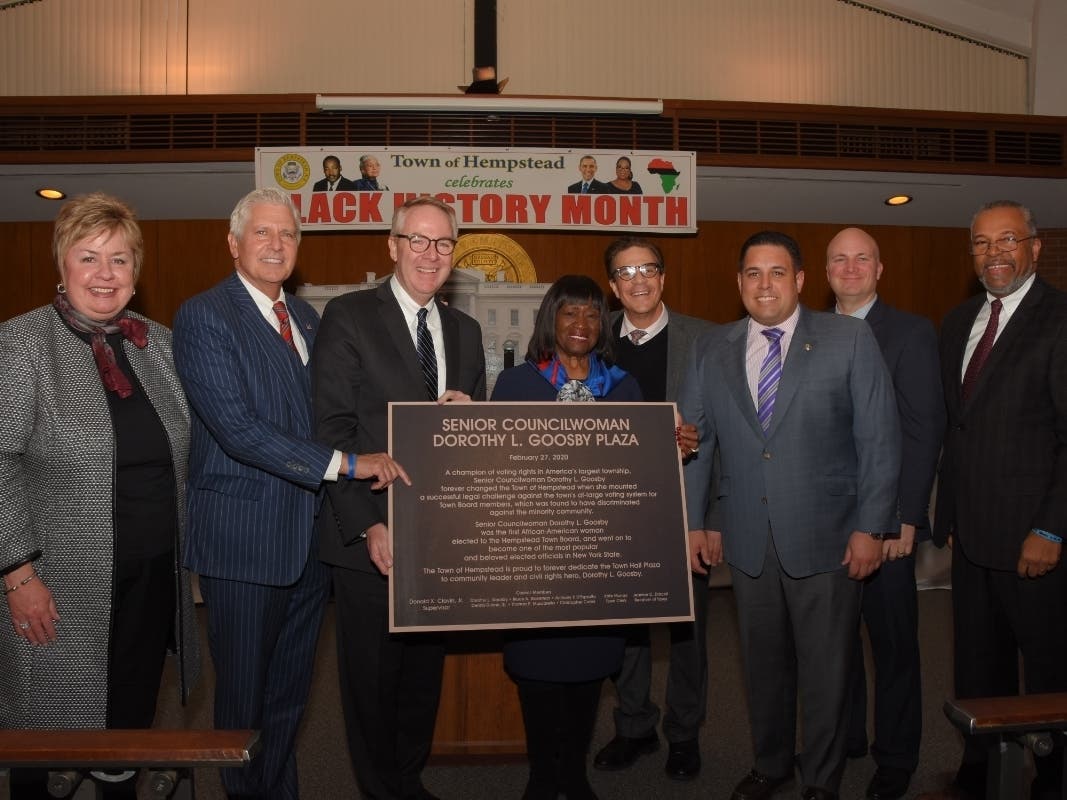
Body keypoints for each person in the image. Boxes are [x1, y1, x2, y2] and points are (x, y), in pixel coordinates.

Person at [173, 187, 407, 799]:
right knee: (244, 702)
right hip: (246, 541)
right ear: (233, 244)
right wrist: (350, 463)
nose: (277, 245)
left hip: (309, 539)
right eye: (263, 233)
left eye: (289, 235)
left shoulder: (306, 318)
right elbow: (239, 430)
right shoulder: (205, 315)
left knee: (289, 697)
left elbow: (336, 409)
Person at [679, 230, 900, 800]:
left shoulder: (848, 339)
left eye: (777, 272)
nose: (764, 284)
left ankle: (822, 778)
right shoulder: (712, 348)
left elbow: (879, 438)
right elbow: (695, 440)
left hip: (828, 537)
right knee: (762, 667)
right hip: (748, 540)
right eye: (752, 273)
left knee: (827, 670)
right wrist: (695, 522)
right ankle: (771, 763)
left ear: (800, 280)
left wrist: (870, 527)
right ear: (739, 284)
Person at [0, 193, 200, 798]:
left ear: (136, 274)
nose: (105, 274)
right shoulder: (22, 342)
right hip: (57, 580)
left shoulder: (158, 345)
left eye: (119, 260)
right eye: (89, 258)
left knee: (129, 717)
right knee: (46, 725)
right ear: (62, 268)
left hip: (150, 574)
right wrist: (16, 572)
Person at [312, 196, 486, 800]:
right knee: (371, 681)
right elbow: (331, 429)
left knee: (421, 678)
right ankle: (379, 790)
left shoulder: (466, 331)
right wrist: (366, 526)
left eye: (442, 243)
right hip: (372, 536)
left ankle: (408, 780)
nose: (429, 254)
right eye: (417, 240)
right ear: (392, 245)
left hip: (436, 538)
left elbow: (470, 448)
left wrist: (475, 418)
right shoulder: (350, 315)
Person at [920, 201, 1067, 800]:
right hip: (974, 538)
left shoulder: (1060, 319)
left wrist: (1052, 530)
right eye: (981, 243)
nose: (994, 252)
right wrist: (950, 515)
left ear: (1036, 248)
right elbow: (963, 428)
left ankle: (1054, 783)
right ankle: (979, 774)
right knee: (979, 669)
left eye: (1008, 239)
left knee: (1050, 673)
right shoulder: (958, 322)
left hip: (1037, 541)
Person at [491, 274, 643, 800]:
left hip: (600, 558)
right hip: (535, 559)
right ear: (550, 319)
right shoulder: (516, 385)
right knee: (537, 674)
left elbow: (637, 477)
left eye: (593, 314)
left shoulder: (623, 387)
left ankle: (574, 774)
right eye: (569, 312)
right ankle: (542, 776)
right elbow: (494, 475)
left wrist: (670, 447)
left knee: (589, 672)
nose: (582, 324)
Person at [825, 228, 944, 800]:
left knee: (892, 645)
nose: (850, 269)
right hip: (822, 522)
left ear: (880, 268)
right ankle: (844, 736)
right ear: (824, 273)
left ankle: (895, 756)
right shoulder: (809, 332)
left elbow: (923, 430)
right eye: (839, 260)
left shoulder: (911, 333)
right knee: (833, 640)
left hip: (887, 521)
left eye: (861, 259)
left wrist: (905, 517)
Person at [592, 238, 712, 781]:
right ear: (613, 286)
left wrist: (697, 437)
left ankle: (685, 734)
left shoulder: (705, 338)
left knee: (687, 631)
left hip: (687, 506)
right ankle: (634, 726)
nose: (638, 279)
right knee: (629, 627)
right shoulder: (592, 339)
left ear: (662, 277)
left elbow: (731, 419)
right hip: (616, 508)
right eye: (625, 272)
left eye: (647, 269)